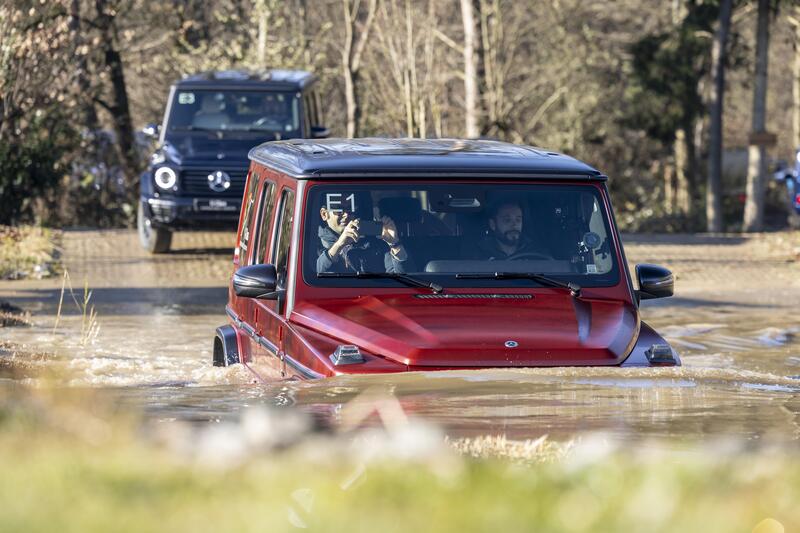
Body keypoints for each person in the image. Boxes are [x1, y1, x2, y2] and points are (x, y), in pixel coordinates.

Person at [316, 192, 413, 274]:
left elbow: (404, 281)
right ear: (324, 214)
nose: (346, 214)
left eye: (351, 209)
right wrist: (338, 246)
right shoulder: (311, 244)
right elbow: (314, 278)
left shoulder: (376, 245)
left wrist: (394, 244)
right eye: (338, 209)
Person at [476, 200, 547, 260]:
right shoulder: (480, 252)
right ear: (493, 224)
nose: (514, 224)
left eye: (518, 220)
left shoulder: (536, 251)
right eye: (507, 220)